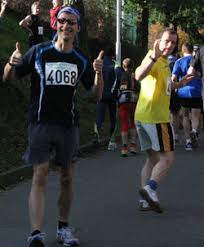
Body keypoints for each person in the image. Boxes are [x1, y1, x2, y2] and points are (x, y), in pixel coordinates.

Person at [3, 6, 104, 247]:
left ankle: (63, 228)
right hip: (40, 123)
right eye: (62, 21)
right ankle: (36, 233)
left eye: (71, 22)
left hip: (68, 126)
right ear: (55, 24)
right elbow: (8, 78)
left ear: (77, 28)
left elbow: (95, 96)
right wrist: (10, 62)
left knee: (67, 177)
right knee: (41, 173)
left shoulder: (80, 59)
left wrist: (99, 75)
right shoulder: (39, 51)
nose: (66, 26)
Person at [135, 28, 193, 213]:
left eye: (174, 42)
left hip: (142, 116)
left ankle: (144, 200)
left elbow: (165, 85)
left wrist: (179, 84)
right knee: (167, 158)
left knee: (152, 159)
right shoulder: (153, 57)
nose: (170, 45)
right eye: (167, 41)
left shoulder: (165, 62)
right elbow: (138, 75)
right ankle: (150, 189)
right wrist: (152, 57)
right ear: (158, 40)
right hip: (156, 118)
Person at [172, 43, 202, 150]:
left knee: (185, 116)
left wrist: (176, 86)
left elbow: (173, 78)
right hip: (196, 91)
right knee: (195, 115)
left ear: (182, 50)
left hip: (183, 91)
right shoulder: (197, 60)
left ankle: (188, 141)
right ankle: (194, 131)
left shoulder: (178, 61)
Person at [93, 45, 117, 151]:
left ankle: (96, 135)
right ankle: (111, 142)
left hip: (101, 95)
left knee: (99, 117)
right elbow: (118, 80)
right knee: (113, 119)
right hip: (112, 96)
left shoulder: (100, 64)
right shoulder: (115, 65)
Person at [117, 58, 139, 156]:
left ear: (123, 66)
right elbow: (138, 88)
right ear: (132, 66)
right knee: (133, 123)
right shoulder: (135, 76)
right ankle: (133, 145)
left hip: (123, 101)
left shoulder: (120, 75)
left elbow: (116, 87)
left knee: (124, 123)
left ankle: (124, 147)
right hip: (133, 100)